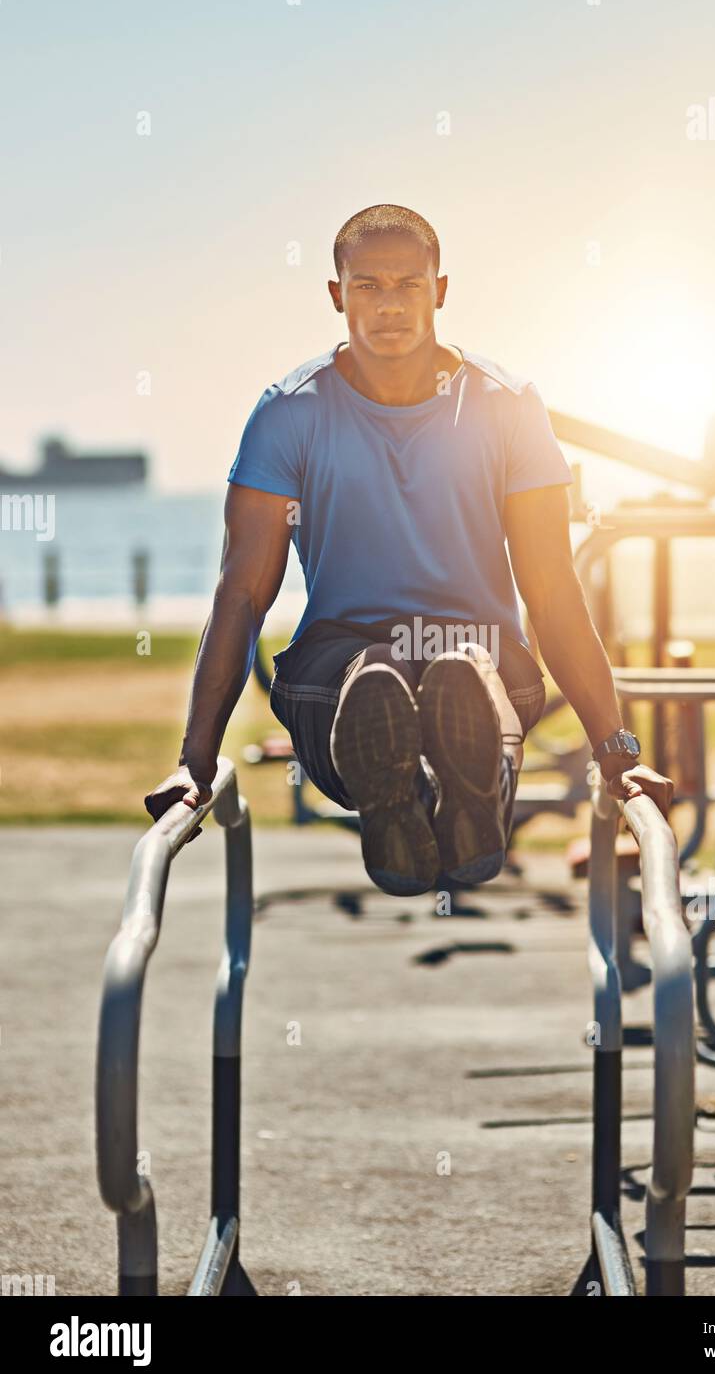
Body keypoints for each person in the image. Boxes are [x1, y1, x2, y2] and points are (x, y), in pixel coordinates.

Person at [145, 203, 672, 892]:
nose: (388, 305)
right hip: (335, 674)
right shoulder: (290, 413)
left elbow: (550, 589)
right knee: (374, 675)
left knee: (461, 667)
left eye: (407, 285)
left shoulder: (505, 405)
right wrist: (195, 759)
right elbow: (242, 592)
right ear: (337, 296)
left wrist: (617, 749)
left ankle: (464, 796)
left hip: (482, 664)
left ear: (440, 290)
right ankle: (402, 793)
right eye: (367, 286)